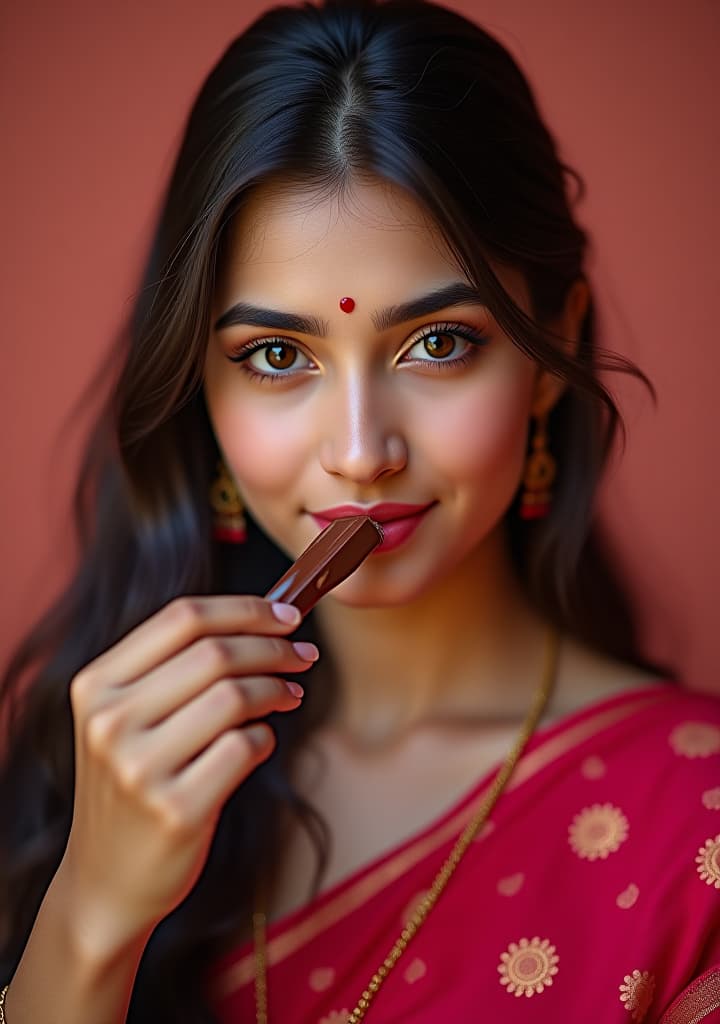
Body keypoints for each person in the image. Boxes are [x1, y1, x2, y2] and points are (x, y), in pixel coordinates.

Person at [1, 1, 719, 1021]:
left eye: (438, 343)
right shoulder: (92, 782)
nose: (359, 451)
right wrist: (89, 918)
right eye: (277, 357)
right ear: (200, 388)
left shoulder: (695, 824)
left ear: (550, 349)